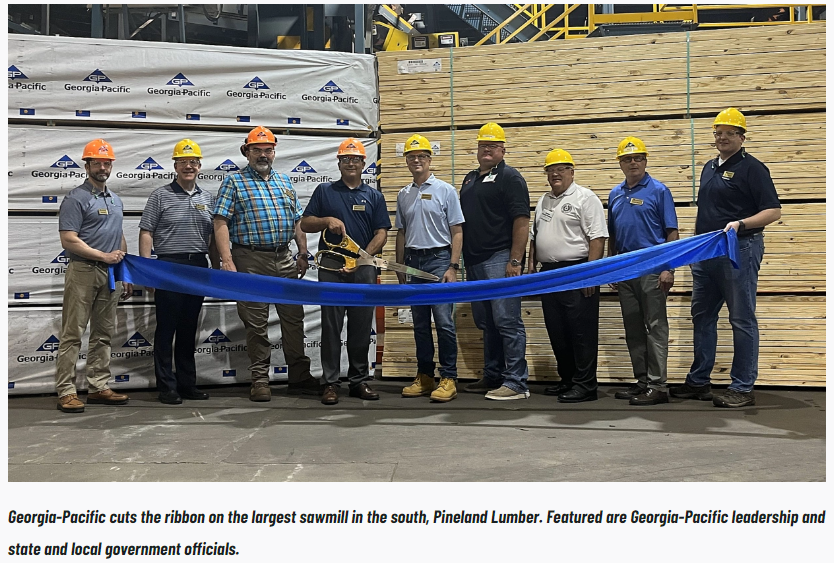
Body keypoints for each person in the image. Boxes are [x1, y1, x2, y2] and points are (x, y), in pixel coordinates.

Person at [670, 108, 781, 408]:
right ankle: (698, 380)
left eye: (729, 133)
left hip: (739, 250)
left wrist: (741, 224)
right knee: (702, 316)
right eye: (718, 132)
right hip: (706, 253)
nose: (722, 137)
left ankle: (742, 387)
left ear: (741, 137)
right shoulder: (709, 166)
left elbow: (773, 211)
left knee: (741, 318)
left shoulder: (753, 168)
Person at [213, 125, 318, 402]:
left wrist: (303, 252)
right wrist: (227, 259)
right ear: (246, 152)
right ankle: (260, 379)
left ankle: (299, 377)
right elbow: (221, 221)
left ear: (274, 152)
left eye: (267, 150)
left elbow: (298, 222)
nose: (263, 154)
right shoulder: (233, 182)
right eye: (257, 149)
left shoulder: (284, 182)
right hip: (249, 259)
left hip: (284, 257)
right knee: (256, 323)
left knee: (293, 319)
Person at [300, 138, 391, 405]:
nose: (350, 163)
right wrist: (326, 220)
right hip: (330, 267)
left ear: (364, 163)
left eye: (355, 159)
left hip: (362, 268)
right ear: (339, 163)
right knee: (331, 326)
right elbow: (305, 224)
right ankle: (330, 383)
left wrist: (363, 258)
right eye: (345, 159)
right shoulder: (324, 191)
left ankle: (359, 381)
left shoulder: (373, 196)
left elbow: (382, 233)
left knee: (362, 327)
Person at [54, 139, 132, 413]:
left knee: (103, 334)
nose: (102, 167)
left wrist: (124, 272)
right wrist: (103, 257)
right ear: (86, 165)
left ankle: (98, 386)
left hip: (111, 275)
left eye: (106, 162)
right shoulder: (76, 198)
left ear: (111, 165)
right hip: (83, 272)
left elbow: (118, 237)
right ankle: (66, 391)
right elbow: (68, 240)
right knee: (72, 334)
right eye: (96, 162)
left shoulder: (115, 199)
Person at [139, 139, 220, 405]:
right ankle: (167, 387)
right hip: (168, 267)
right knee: (166, 329)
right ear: (175, 165)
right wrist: (147, 268)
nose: (188, 166)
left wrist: (217, 267)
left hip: (198, 267)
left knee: (188, 328)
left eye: (193, 162)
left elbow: (212, 238)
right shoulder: (160, 195)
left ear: (200, 166)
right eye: (183, 161)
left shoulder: (207, 198)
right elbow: (146, 231)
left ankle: (187, 384)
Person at [528, 149, 608, 403]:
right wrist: (532, 264)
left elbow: (597, 238)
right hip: (549, 274)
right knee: (558, 330)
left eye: (561, 168)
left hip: (577, 270)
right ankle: (568, 379)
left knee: (581, 331)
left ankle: (586, 385)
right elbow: (534, 235)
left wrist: (590, 276)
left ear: (572, 172)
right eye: (551, 170)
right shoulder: (544, 200)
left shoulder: (586, 198)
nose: (555, 173)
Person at [459, 122, 531, 401]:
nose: (486, 149)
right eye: (482, 144)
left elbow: (521, 221)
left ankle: (516, 383)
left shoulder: (510, 178)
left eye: (492, 145)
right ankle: (493, 375)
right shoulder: (470, 179)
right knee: (486, 322)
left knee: (507, 321)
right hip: (474, 261)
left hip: (500, 257)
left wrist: (515, 259)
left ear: (503, 149)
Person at [607, 137, 679, 406]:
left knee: (656, 327)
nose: (633, 162)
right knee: (634, 329)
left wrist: (668, 268)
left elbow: (671, 232)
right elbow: (613, 235)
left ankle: (658, 385)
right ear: (621, 164)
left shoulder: (659, 191)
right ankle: (643, 382)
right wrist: (612, 268)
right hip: (625, 271)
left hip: (652, 270)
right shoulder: (615, 194)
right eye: (627, 159)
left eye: (637, 158)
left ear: (645, 161)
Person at [395, 134, 464, 402]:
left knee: (444, 322)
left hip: (438, 260)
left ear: (429, 159)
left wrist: (453, 266)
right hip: (413, 262)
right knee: (420, 324)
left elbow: (457, 231)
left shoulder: (445, 190)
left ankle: (449, 377)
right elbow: (401, 232)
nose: (416, 160)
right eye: (411, 157)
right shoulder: (404, 194)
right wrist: (400, 265)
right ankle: (425, 376)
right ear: (407, 161)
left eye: (421, 156)